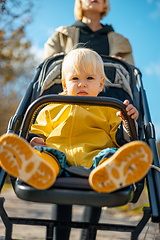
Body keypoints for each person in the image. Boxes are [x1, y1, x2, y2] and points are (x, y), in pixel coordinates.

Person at [0, 48, 151, 193]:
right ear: (65, 85)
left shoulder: (110, 109)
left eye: (90, 78)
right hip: (57, 154)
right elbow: (39, 129)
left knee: (110, 155)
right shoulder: (51, 106)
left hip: (96, 158)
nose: (82, 84)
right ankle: (38, 170)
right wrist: (35, 139)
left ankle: (110, 174)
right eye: (75, 78)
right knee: (43, 154)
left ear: (100, 84)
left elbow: (121, 139)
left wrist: (126, 121)